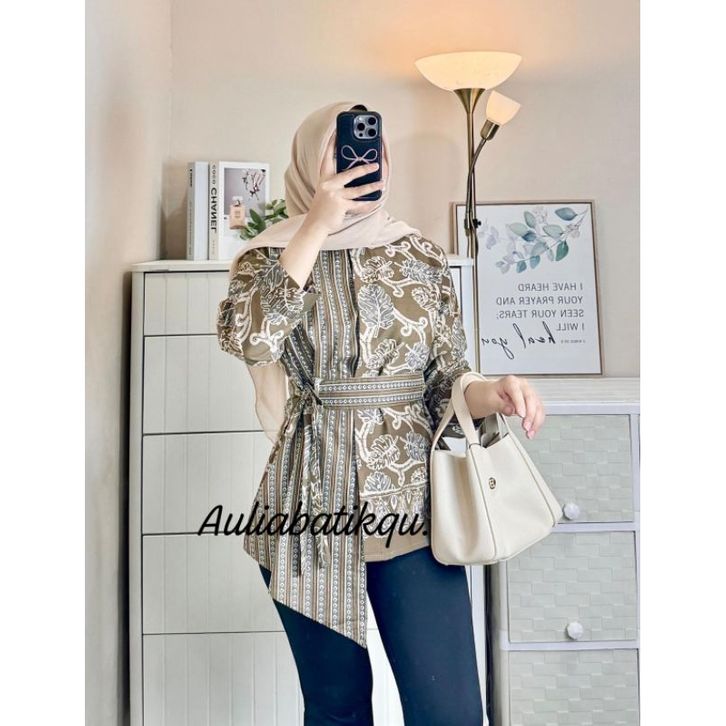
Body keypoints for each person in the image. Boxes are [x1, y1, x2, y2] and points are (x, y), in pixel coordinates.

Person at [216, 101, 546, 726]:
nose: (366, 161)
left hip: (415, 508)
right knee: (336, 710)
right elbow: (250, 339)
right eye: (344, 150)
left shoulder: (418, 254)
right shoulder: (269, 257)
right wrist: (316, 225)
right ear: (311, 162)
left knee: (449, 712)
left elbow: (446, 376)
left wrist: (493, 391)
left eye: (376, 150)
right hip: (308, 507)